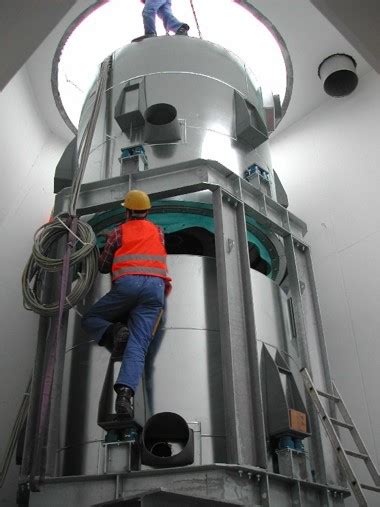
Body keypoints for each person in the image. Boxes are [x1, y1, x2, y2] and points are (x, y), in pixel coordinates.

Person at [82, 190, 171, 419]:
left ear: (128, 210)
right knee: (138, 345)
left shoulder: (119, 231)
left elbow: (103, 265)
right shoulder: (159, 231)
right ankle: (124, 394)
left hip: (128, 285)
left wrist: (102, 244)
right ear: (147, 211)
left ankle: (116, 331)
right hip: (155, 292)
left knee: (90, 318)